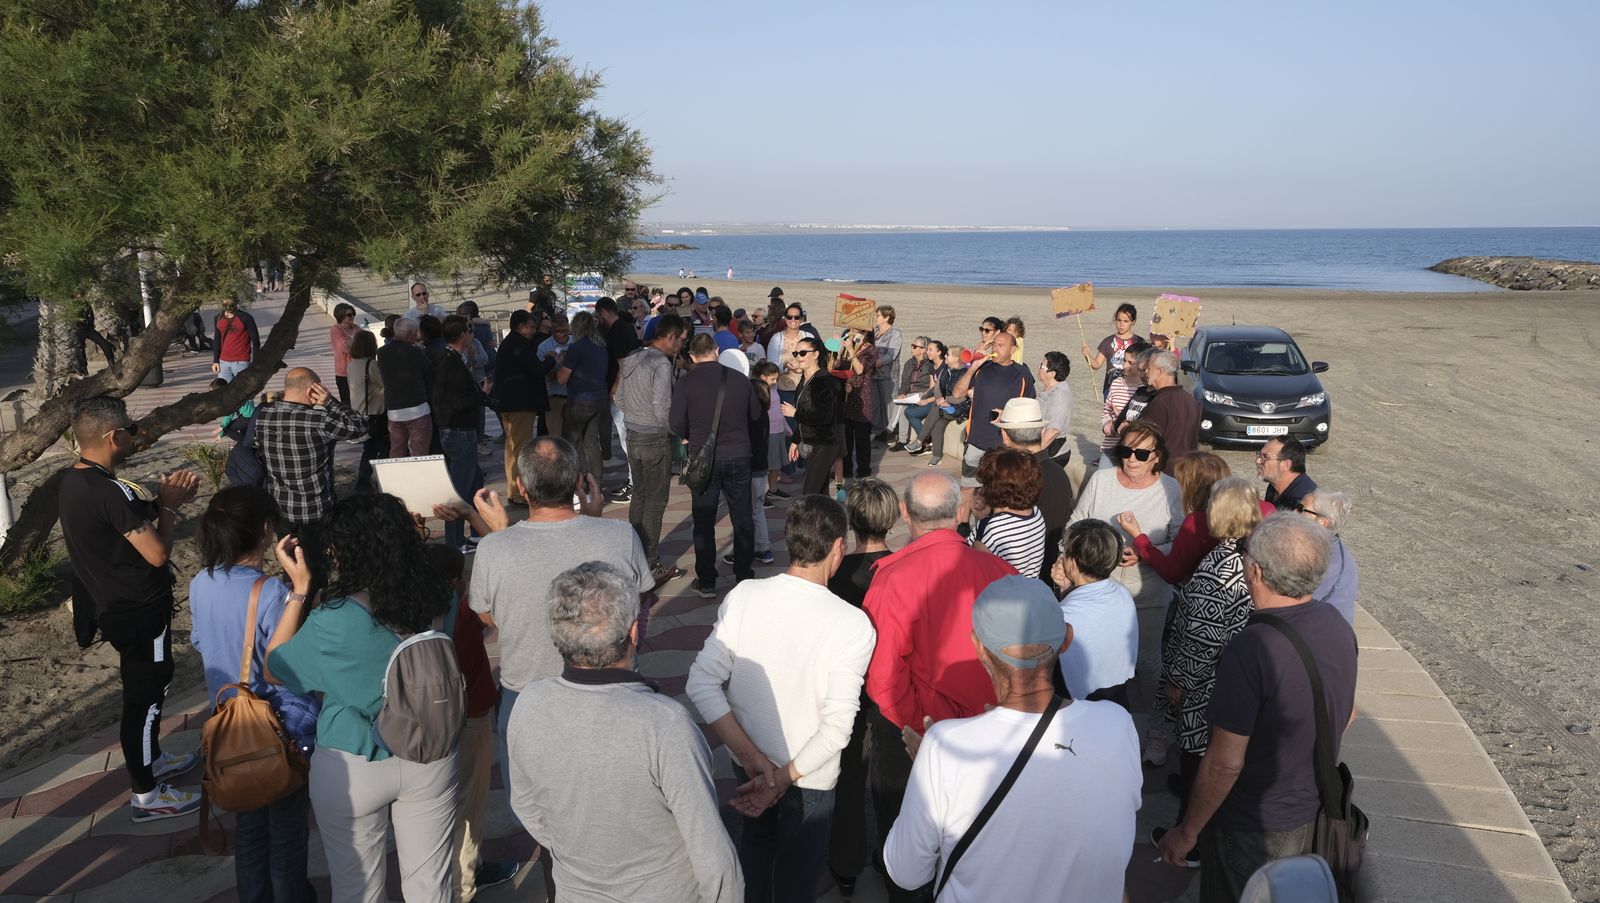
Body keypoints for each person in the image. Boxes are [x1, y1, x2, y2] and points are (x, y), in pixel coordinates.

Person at [883, 576, 1141, 901]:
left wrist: (929, 771)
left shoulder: (944, 747)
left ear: (978, 646)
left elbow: (906, 873)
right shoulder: (1117, 724)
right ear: (1067, 639)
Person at [264, 494, 460, 903]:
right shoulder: (441, 595)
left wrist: (299, 592)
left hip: (353, 760)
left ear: (345, 550)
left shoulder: (333, 619)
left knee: (358, 891)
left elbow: (275, 667)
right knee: (431, 886)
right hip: (432, 746)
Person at [509, 562, 743, 901]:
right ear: (633, 633)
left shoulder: (530, 702)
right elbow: (711, 852)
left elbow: (527, 807)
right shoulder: (664, 723)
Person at [1157, 514, 1357, 902]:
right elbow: (1348, 713)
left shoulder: (1251, 647)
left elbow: (1224, 763)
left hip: (1252, 824)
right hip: (1313, 808)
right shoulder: (1335, 623)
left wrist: (1187, 831)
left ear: (1256, 571)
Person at [686, 496, 876, 903]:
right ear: (839, 547)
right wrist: (782, 778)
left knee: (757, 845)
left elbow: (700, 682)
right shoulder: (852, 624)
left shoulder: (745, 595)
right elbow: (837, 729)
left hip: (749, 765)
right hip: (810, 777)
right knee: (798, 876)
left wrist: (755, 761)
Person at [863, 472, 1017, 897]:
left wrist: (923, 730)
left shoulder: (891, 578)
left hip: (914, 736)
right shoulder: (1002, 572)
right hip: (991, 737)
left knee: (908, 854)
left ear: (904, 513)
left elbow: (883, 678)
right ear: (960, 511)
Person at [58, 397, 203, 821]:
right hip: (138, 609)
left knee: (146, 691)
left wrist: (158, 503)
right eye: (130, 429)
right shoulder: (107, 489)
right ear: (112, 436)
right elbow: (157, 553)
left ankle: (152, 759)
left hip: (117, 605)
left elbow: (115, 526)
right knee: (146, 699)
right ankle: (147, 795)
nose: (134, 436)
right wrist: (170, 508)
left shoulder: (75, 481)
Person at [189, 487, 318, 902]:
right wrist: (301, 592)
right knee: (286, 832)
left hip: (227, 725)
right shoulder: (272, 593)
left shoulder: (200, 583)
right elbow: (285, 666)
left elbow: (201, 642)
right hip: (277, 727)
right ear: (266, 531)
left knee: (248, 829)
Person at [1152, 477, 1267, 865]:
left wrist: (1176, 681)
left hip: (1207, 689)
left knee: (1198, 763)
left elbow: (1200, 640)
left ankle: (1189, 841)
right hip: (1234, 678)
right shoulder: (1252, 556)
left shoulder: (1218, 568)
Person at [1068, 419, 1183, 766]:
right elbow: (1075, 525)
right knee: (1094, 662)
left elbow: (1179, 544)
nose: (1131, 459)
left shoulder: (1171, 490)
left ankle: (1153, 728)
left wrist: (1146, 553)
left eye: (1141, 454)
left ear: (1157, 457)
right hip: (1097, 595)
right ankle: (1093, 729)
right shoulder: (1101, 480)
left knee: (1147, 663)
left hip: (1146, 593)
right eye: (1125, 451)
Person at [422, 545, 520, 902]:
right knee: (468, 805)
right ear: (454, 581)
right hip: (469, 718)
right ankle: (463, 887)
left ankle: (458, 873)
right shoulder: (463, 613)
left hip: (427, 723)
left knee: (436, 809)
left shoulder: (411, 613)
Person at [825, 479, 899, 896]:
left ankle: (845, 866)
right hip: (892, 690)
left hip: (849, 691)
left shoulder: (834, 575)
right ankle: (894, 860)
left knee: (848, 781)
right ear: (892, 520)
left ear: (850, 522)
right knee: (893, 784)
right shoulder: (902, 568)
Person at [671, 332, 764, 597]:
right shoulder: (739, 379)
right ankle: (743, 574)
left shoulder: (686, 382)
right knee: (742, 517)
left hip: (703, 459)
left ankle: (707, 580)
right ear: (716, 350)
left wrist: (690, 435)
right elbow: (755, 414)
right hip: (738, 455)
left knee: (703, 521)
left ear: (692, 356)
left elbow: (675, 422)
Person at [619, 314, 690, 583]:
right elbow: (662, 408)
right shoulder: (660, 364)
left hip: (634, 434)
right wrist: (678, 431)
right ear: (670, 336)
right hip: (654, 438)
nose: (681, 346)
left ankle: (634, 556)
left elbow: (619, 397)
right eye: (681, 340)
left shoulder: (633, 357)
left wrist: (635, 416)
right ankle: (650, 563)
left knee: (639, 495)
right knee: (656, 501)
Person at [254, 367, 368, 530]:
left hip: (280, 507)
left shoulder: (263, 415)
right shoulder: (319, 420)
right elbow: (360, 426)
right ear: (312, 390)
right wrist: (330, 402)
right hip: (315, 509)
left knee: (287, 547)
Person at [1119, 451, 1245, 587]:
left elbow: (1171, 572)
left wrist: (1139, 538)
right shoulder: (1245, 509)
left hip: (1205, 592)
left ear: (1193, 488)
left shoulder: (1196, 522)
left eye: (1181, 483)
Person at [1051, 519, 1138, 706]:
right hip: (1118, 699)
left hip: (1080, 707)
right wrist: (1067, 587)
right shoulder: (1122, 593)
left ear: (1073, 563)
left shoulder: (1062, 617)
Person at [948, 326, 1034, 510]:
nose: (996, 348)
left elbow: (1029, 408)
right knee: (967, 489)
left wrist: (1008, 416)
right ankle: (963, 524)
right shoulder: (982, 368)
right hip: (976, 442)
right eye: (994, 344)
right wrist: (972, 368)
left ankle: (991, 524)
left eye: (1001, 345)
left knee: (999, 494)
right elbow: (957, 394)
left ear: (1013, 349)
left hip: (1004, 446)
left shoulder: (1023, 374)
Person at [994, 397, 1072, 580]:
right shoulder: (1060, 474)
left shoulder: (1011, 477)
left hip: (1012, 578)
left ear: (1004, 436)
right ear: (1042, 431)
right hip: (1049, 575)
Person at [490, 310, 555, 506]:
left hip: (509, 403)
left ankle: (513, 489)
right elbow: (537, 369)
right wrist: (552, 359)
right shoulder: (519, 345)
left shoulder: (510, 343)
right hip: (520, 404)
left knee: (512, 446)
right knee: (519, 447)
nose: (534, 331)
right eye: (531, 327)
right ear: (521, 327)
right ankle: (519, 492)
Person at [433, 317, 487, 552]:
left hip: (454, 429)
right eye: (470, 331)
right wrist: (481, 395)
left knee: (475, 483)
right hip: (458, 430)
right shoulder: (451, 362)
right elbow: (457, 401)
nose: (472, 335)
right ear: (463, 334)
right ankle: (455, 542)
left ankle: (477, 533)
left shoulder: (449, 358)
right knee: (460, 490)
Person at [968, 447, 1048, 579]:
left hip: (997, 592)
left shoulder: (991, 529)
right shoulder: (1035, 513)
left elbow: (975, 572)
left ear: (994, 487)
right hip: (1027, 588)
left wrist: (983, 524)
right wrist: (988, 516)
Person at [783, 336, 844, 497]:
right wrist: (796, 440)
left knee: (809, 495)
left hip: (825, 443)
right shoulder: (805, 380)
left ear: (816, 354)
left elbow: (825, 417)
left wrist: (795, 413)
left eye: (803, 353)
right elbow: (805, 415)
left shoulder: (822, 381)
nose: (798, 357)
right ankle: (829, 514)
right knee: (820, 495)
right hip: (813, 442)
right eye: (796, 353)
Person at [556, 311, 611, 483]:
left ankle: (575, 482)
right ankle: (597, 483)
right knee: (592, 442)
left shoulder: (576, 347)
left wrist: (559, 361)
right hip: (600, 398)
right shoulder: (601, 346)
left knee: (570, 443)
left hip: (580, 400)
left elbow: (562, 378)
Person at [595, 296, 642, 491]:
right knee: (627, 438)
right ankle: (635, 480)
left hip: (622, 393)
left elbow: (623, 363)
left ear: (604, 312)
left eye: (598, 315)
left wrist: (615, 388)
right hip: (630, 389)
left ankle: (635, 483)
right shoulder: (626, 327)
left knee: (626, 438)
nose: (598, 319)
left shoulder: (618, 331)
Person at [377, 317, 434, 457]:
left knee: (397, 450)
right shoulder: (415, 352)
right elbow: (430, 372)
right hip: (417, 409)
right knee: (420, 451)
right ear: (410, 334)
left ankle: (397, 472)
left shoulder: (382, 352)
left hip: (394, 411)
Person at [1301, 491, 1358, 624]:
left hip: (1319, 631)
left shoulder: (1327, 561)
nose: (1294, 512)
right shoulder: (1318, 547)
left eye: (1301, 509)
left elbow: (1292, 602)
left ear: (1323, 521)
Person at [1139, 350, 1201, 470]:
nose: (1146, 371)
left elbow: (1146, 441)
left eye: (1149, 368)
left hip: (1163, 471)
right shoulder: (1190, 400)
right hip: (1186, 469)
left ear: (1160, 371)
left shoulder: (1160, 403)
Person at [346, 330, 390, 492]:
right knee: (384, 449)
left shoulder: (351, 365)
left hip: (361, 414)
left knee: (369, 450)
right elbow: (387, 384)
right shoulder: (372, 365)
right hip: (376, 415)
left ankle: (363, 483)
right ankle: (384, 483)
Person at [902, 341, 958, 460]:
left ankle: (924, 441)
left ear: (939, 352)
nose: (927, 352)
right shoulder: (932, 366)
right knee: (908, 411)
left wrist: (927, 401)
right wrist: (922, 397)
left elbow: (943, 392)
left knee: (911, 413)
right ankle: (927, 440)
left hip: (941, 400)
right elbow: (932, 388)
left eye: (930, 350)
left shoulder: (945, 367)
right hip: (933, 398)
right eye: (927, 349)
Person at [1099, 342, 1152, 463]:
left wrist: (1125, 425)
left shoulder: (1147, 390)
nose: (1125, 365)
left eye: (1131, 363)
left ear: (1143, 365)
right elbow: (1106, 412)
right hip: (1111, 447)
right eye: (1124, 360)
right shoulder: (1117, 383)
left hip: (1135, 452)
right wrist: (1111, 428)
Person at [837, 327, 878, 482]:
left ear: (866, 333)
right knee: (845, 436)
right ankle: (846, 469)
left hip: (861, 395)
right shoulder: (848, 345)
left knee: (862, 439)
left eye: (859, 330)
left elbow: (860, 369)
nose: (854, 332)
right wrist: (839, 349)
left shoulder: (871, 350)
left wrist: (851, 350)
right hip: (846, 394)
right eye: (853, 329)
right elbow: (837, 365)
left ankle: (864, 471)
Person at [1082, 302, 1147, 396]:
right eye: (1119, 320)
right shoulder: (1108, 341)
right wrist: (1087, 355)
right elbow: (1096, 365)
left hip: (1133, 388)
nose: (1121, 324)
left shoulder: (1139, 341)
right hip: (1110, 389)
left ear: (1133, 322)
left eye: (1126, 321)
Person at [754, 360, 790, 509]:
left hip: (778, 429)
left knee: (775, 464)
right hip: (768, 432)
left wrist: (786, 426)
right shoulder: (757, 390)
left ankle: (773, 489)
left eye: (776, 378)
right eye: (772, 379)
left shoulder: (773, 388)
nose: (775, 382)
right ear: (763, 377)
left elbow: (778, 410)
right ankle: (760, 495)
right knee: (766, 465)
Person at [885, 335, 932, 449]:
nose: (912, 348)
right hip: (910, 395)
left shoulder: (930, 364)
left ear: (923, 349)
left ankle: (890, 429)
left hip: (923, 394)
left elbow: (932, 385)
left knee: (901, 403)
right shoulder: (909, 363)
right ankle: (902, 440)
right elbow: (905, 382)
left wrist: (924, 394)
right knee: (902, 404)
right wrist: (902, 393)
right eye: (912, 345)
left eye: (915, 346)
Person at [537, 311, 573, 439]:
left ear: (569, 327)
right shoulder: (544, 347)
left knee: (575, 438)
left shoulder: (576, 343)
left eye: (564, 330)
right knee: (556, 438)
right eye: (558, 331)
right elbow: (540, 375)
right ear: (551, 330)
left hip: (575, 397)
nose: (562, 334)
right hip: (554, 398)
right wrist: (555, 365)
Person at [1258, 436, 1317, 511]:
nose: (1258, 461)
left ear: (1286, 465)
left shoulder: (1305, 502)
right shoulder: (1274, 486)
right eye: (1259, 455)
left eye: (1265, 457)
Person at [1036, 350, 1074, 462]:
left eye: (1041, 366)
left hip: (1052, 455)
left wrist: (1034, 454)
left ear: (1052, 374)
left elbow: (1053, 431)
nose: (1039, 368)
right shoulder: (1052, 389)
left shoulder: (1059, 396)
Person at [212, 297, 262, 382]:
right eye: (226, 305)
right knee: (223, 389)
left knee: (242, 388)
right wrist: (215, 361)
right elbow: (217, 339)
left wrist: (255, 362)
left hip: (241, 362)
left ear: (235, 304)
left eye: (231, 305)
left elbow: (256, 341)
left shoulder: (246, 317)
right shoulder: (218, 317)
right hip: (223, 362)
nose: (229, 308)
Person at [871, 306, 902, 437]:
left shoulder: (895, 333)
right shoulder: (874, 331)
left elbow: (891, 355)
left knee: (888, 404)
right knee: (874, 404)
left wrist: (875, 363)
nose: (875, 318)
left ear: (887, 317)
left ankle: (890, 432)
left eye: (878, 315)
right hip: (872, 375)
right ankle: (877, 431)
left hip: (888, 376)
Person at [329, 302, 361, 405]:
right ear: (341, 316)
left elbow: (366, 344)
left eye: (353, 314)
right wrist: (358, 345)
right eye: (349, 315)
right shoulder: (336, 329)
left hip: (358, 370)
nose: (352, 317)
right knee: (347, 402)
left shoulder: (356, 328)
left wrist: (352, 344)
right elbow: (345, 348)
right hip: (344, 372)